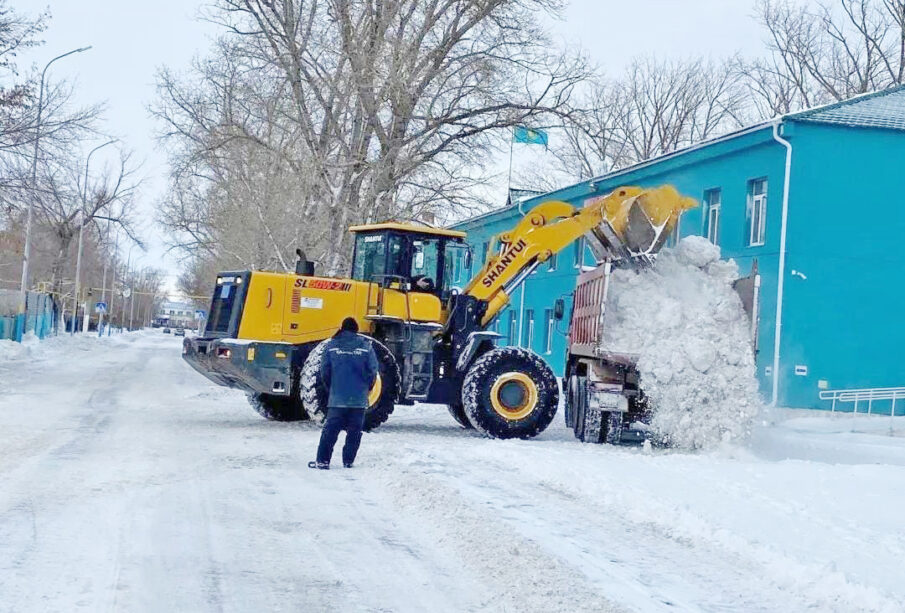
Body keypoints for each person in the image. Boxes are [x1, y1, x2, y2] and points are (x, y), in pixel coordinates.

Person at [309, 317, 379, 470]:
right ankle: (348, 461)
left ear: (342, 328)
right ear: (356, 329)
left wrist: (332, 389)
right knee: (354, 431)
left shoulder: (332, 346)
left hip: (337, 399)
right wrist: (365, 389)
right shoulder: (366, 347)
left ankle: (323, 461)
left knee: (330, 431)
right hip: (359, 400)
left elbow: (324, 372)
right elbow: (373, 373)